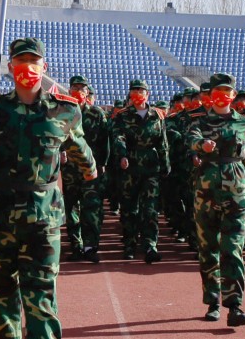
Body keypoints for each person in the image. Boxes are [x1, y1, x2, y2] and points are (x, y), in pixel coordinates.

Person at [0, 37, 96, 339]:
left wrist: (89, 167)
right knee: (2, 297)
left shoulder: (65, 110)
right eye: (20, 61)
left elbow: (79, 148)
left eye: (33, 61)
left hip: (44, 218)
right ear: (10, 68)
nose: (27, 67)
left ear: (44, 66)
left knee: (40, 298)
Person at [187, 72, 245, 327]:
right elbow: (192, 141)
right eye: (217, 92)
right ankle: (213, 300)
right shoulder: (199, 123)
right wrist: (202, 146)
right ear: (210, 95)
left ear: (234, 95)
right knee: (208, 249)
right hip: (206, 192)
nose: (222, 96)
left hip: (237, 193)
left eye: (227, 92)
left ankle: (234, 305)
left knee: (232, 248)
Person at [111, 79, 170, 262]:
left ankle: (150, 245)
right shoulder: (122, 115)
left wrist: (165, 164)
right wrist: (122, 155)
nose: (137, 94)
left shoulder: (157, 115)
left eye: (141, 90)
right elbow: (118, 137)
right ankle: (129, 244)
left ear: (147, 94)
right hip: (130, 166)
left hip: (151, 167)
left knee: (150, 209)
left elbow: (162, 142)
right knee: (130, 209)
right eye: (134, 90)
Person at [64, 75, 110, 263]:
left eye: (82, 89)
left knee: (91, 207)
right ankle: (76, 246)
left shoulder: (97, 114)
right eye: (75, 88)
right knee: (71, 208)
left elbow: (104, 141)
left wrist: (103, 163)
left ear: (87, 92)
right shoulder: (63, 110)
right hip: (69, 169)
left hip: (91, 169)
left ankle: (90, 247)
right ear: (69, 90)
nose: (78, 91)